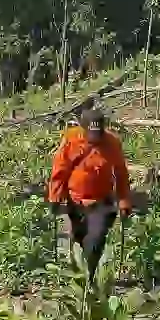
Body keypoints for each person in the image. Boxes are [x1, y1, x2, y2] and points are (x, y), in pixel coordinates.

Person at [47, 108, 133, 280]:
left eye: (98, 134)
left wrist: (124, 200)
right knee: (79, 240)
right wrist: (55, 198)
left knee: (95, 240)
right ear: (83, 129)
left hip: (101, 202)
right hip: (75, 201)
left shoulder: (112, 143)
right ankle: (79, 278)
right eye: (91, 134)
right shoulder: (72, 141)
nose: (95, 139)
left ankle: (89, 278)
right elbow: (60, 170)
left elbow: (121, 173)